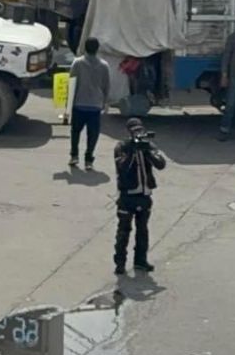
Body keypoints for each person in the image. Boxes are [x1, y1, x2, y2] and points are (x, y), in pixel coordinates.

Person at [113, 118, 167, 275]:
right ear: (129, 132)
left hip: (144, 195)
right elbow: (122, 168)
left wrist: (146, 151)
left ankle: (140, 261)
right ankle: (120, 263)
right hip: (127, 196)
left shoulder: (148, 146)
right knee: (123, 231)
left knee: (143, 230)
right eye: (134, 130)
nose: (138, 133)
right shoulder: (122, 147)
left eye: (140, 130)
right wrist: (132, 150)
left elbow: (161, 164)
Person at [68, 37, 110, 169]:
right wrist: (105, 102)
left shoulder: (77, 63)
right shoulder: (104, 65)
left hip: (79, 104)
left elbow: (71, 84)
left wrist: (68, 105)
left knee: (75, 132)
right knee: (93, 134)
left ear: (85, 48)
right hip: (95, 105)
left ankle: (74, 156)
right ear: (97, 49)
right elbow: (106, 86)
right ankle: (89, 160)